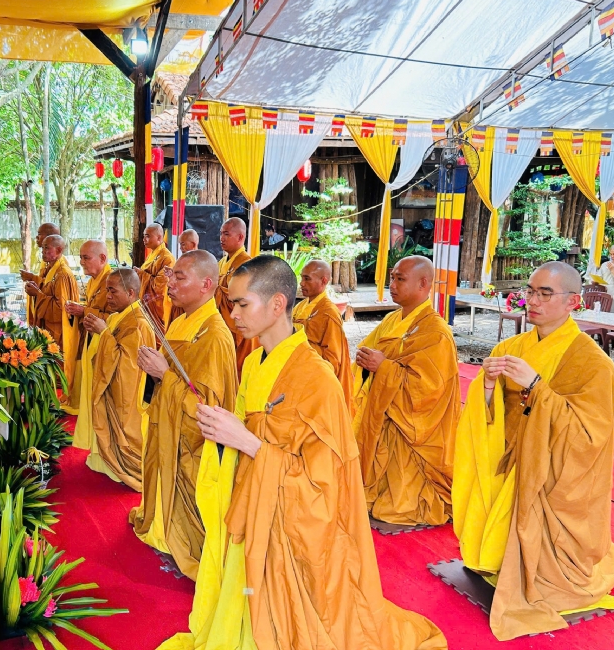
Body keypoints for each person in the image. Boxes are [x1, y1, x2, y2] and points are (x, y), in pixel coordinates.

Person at [158, 255, 447, 650]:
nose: (233, 313)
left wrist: (249, 442)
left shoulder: (317, 379)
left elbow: (324, 482)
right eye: (232, 303)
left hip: (293, 528)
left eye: (242, 304)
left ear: (277, 304)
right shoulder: (256, 362)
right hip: (255, 508)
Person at [453, 261, 614, 641]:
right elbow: (493, 416)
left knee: (552, 582)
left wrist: (536, 385)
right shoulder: (512, 346)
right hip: (514, 465)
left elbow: (590, 436)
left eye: (544, 293)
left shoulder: (593, 363)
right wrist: (486, 387)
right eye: (530, 290)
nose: (531, 301)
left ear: (573, 302)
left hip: (553, 476)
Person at [130, 250, 237, 580]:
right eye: (170, 275)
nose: (169, 283)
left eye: (179, 277)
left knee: (188, 488)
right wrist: (152, 366)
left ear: (206, 284)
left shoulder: (215, 335)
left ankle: (189, 548)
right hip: (167, 422)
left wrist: (165, 375)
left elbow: (210, 405)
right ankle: (163, 531)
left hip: (191, 437)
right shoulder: (179, 320)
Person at [352, 256, 460, 526]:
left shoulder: (436, 332)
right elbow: (369, 350)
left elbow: (429, 390)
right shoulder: (391, 319)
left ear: (424, 284)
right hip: (384, 416)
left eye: (400, 279)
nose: (393, 284)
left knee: (398, 504)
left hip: (411, 428)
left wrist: (385, 368)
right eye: (392, 277)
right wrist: (367, 361)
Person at [83, 269, 155, 490]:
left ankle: (126, 466)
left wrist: (104, 334)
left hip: (128, 398)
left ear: (131, 293)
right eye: (107, 291)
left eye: (113, 291)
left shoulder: (139, 323)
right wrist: (100, 332)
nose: (108, 297)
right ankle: (106, 460)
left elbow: (128, 368)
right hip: (114, 393)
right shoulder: (119, 317)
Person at [25, 235, 79, 404]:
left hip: (58, 331)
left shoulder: (62, 274)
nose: (43, 251)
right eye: (43, 248)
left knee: (56, 371)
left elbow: (59, 309)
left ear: (59, 250)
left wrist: (37, 295)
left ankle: (54, 404)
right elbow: (48, 289)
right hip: (48, 329)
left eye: (47, 248)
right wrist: (35, 283)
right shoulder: (52, 269)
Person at [292, 259, 354, 401]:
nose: (302, 283)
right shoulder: (301, 306)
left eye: (307, 279)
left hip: (315, 379)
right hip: (297, 373)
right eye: (302, 278)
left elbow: (333, 358)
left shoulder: (328, 313)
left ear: (323, 281)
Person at [68, 240, 111, 438]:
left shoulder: (112, 281)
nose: (82, 262)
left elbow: (116, 317)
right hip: (90, 339)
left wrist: (84, 311)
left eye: (86, 257)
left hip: (104, 345)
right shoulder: (95, 280)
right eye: (81, 257)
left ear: (102, 258)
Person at [216, 217, 255, 377]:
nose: (221, 238)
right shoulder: (222, 262)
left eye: (226, 234)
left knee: (236, 372)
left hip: (238, 326)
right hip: (221, 325)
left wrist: (219, 291)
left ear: (240, 237)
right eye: (220, 234)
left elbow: (245, 299)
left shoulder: (247, 264)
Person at [134, 224, 176, 331]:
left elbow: (160, 286)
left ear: (159, 237)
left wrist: (141, 274)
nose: (144, 239)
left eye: (147, 236)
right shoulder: (153, 254)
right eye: (144, 236)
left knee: (156, 337)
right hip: (146, 303)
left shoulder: (167, 258)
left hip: (157, 306)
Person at [20, 222, 61, 323]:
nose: (36, 237)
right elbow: (46, 285)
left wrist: (33, 280)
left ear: (49, 237)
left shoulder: (61, 270)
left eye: (39, 234)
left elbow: (60, 308)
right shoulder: (47, 261)